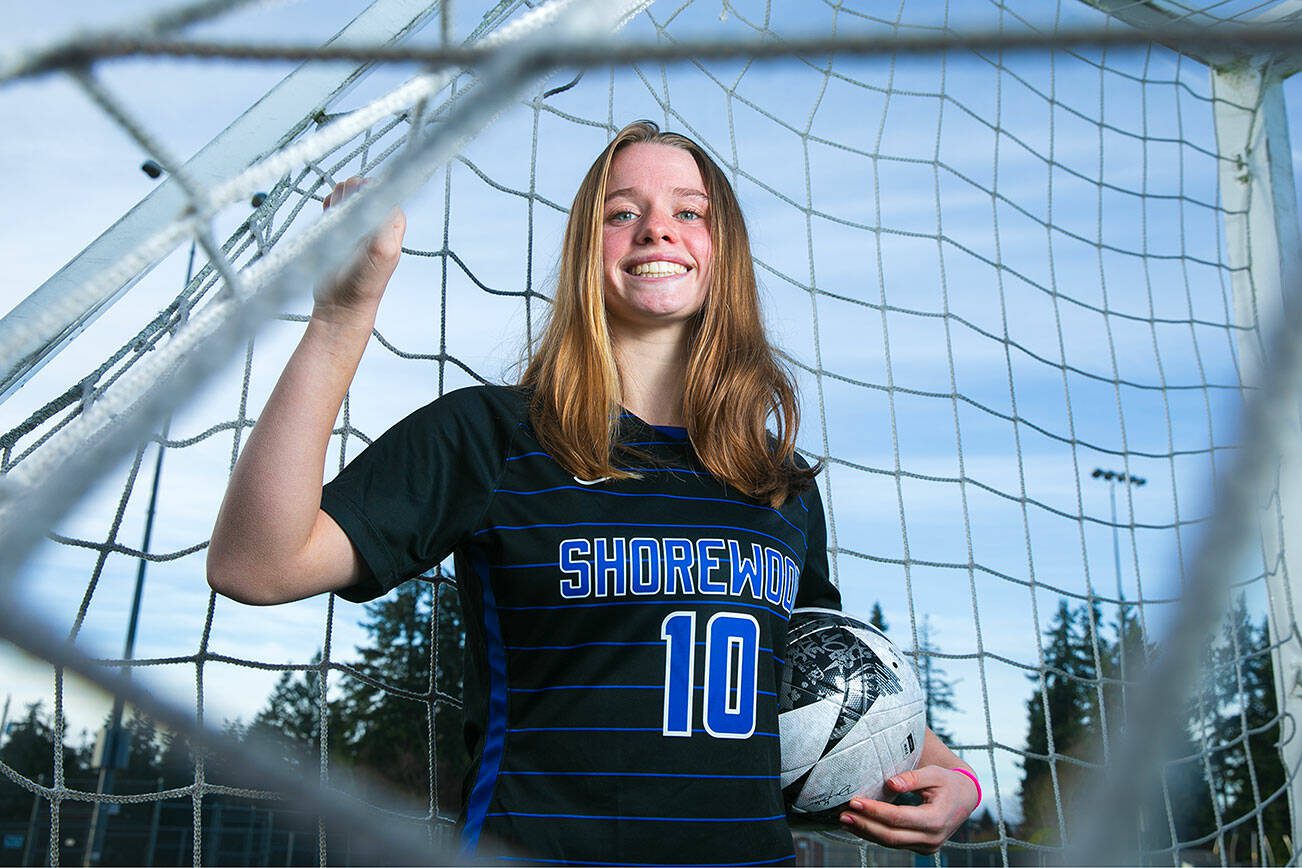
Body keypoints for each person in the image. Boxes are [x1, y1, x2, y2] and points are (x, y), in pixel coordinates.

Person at [207, 120, 980, 865]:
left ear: (726, 253)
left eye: (689, 211)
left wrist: (958, 780)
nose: (656, 229)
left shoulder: (773, 482)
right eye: (623, 213)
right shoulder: (490, 436)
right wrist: (343, 314)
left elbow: (824, 671)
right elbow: (255, 565)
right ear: (587, 250)